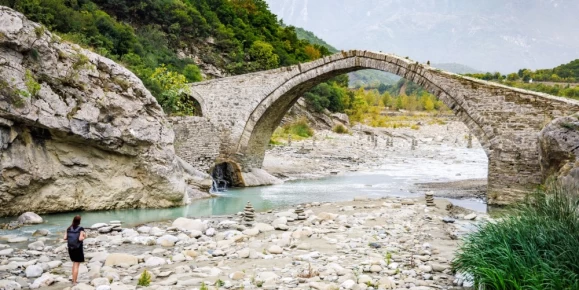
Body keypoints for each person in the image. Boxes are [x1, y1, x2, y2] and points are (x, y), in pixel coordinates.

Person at [63, 215, 86, 285]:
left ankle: (73, 279)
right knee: (76, 265)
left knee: (74, 263)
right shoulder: (81, 229)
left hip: (71, 248)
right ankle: (74, 282)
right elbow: (80, 239)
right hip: (78, 248)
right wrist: (84, 235)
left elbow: (64, 238)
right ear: (79, 221)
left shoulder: (69, 228)